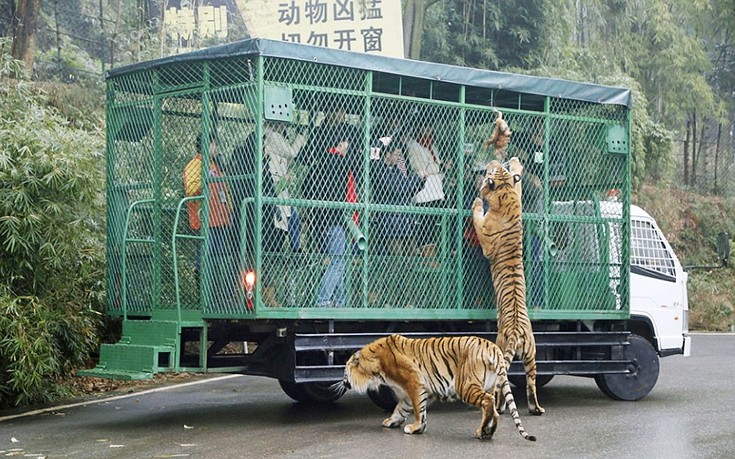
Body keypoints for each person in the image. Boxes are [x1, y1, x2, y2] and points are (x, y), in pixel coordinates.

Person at [301, 115, 362, 307]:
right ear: (341, 144)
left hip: (320, 221)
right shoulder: (340, 164)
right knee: (338, 262)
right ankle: (324, 299)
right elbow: (357, 166)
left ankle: (339, 301)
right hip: (336, 220)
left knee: (339, 262)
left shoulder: (318, 165)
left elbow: (305, 188)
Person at [182, 132, 235, 305]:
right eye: (214, 144)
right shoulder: (195, 165)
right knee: (204, 258)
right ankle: (204, 298)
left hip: (220, 220)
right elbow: (190, 189)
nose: (217, 148)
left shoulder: (214, 165)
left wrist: (230, 210)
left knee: (219, 258)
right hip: (204, 220)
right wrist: (204, 181)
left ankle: (219, 297)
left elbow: (224, 190)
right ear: (207, 145)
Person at [371, 141, 423, 255]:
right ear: (387, 155)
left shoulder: (397, 170)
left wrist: (420, 180)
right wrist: (416, 178)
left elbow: (407, 190)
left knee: (412, 253)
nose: (398, 158)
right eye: (396, 155)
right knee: (397, 254)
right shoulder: (379, 169)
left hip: (404, 220)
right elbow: (396, 189)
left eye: (400, 155)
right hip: (390, 222)